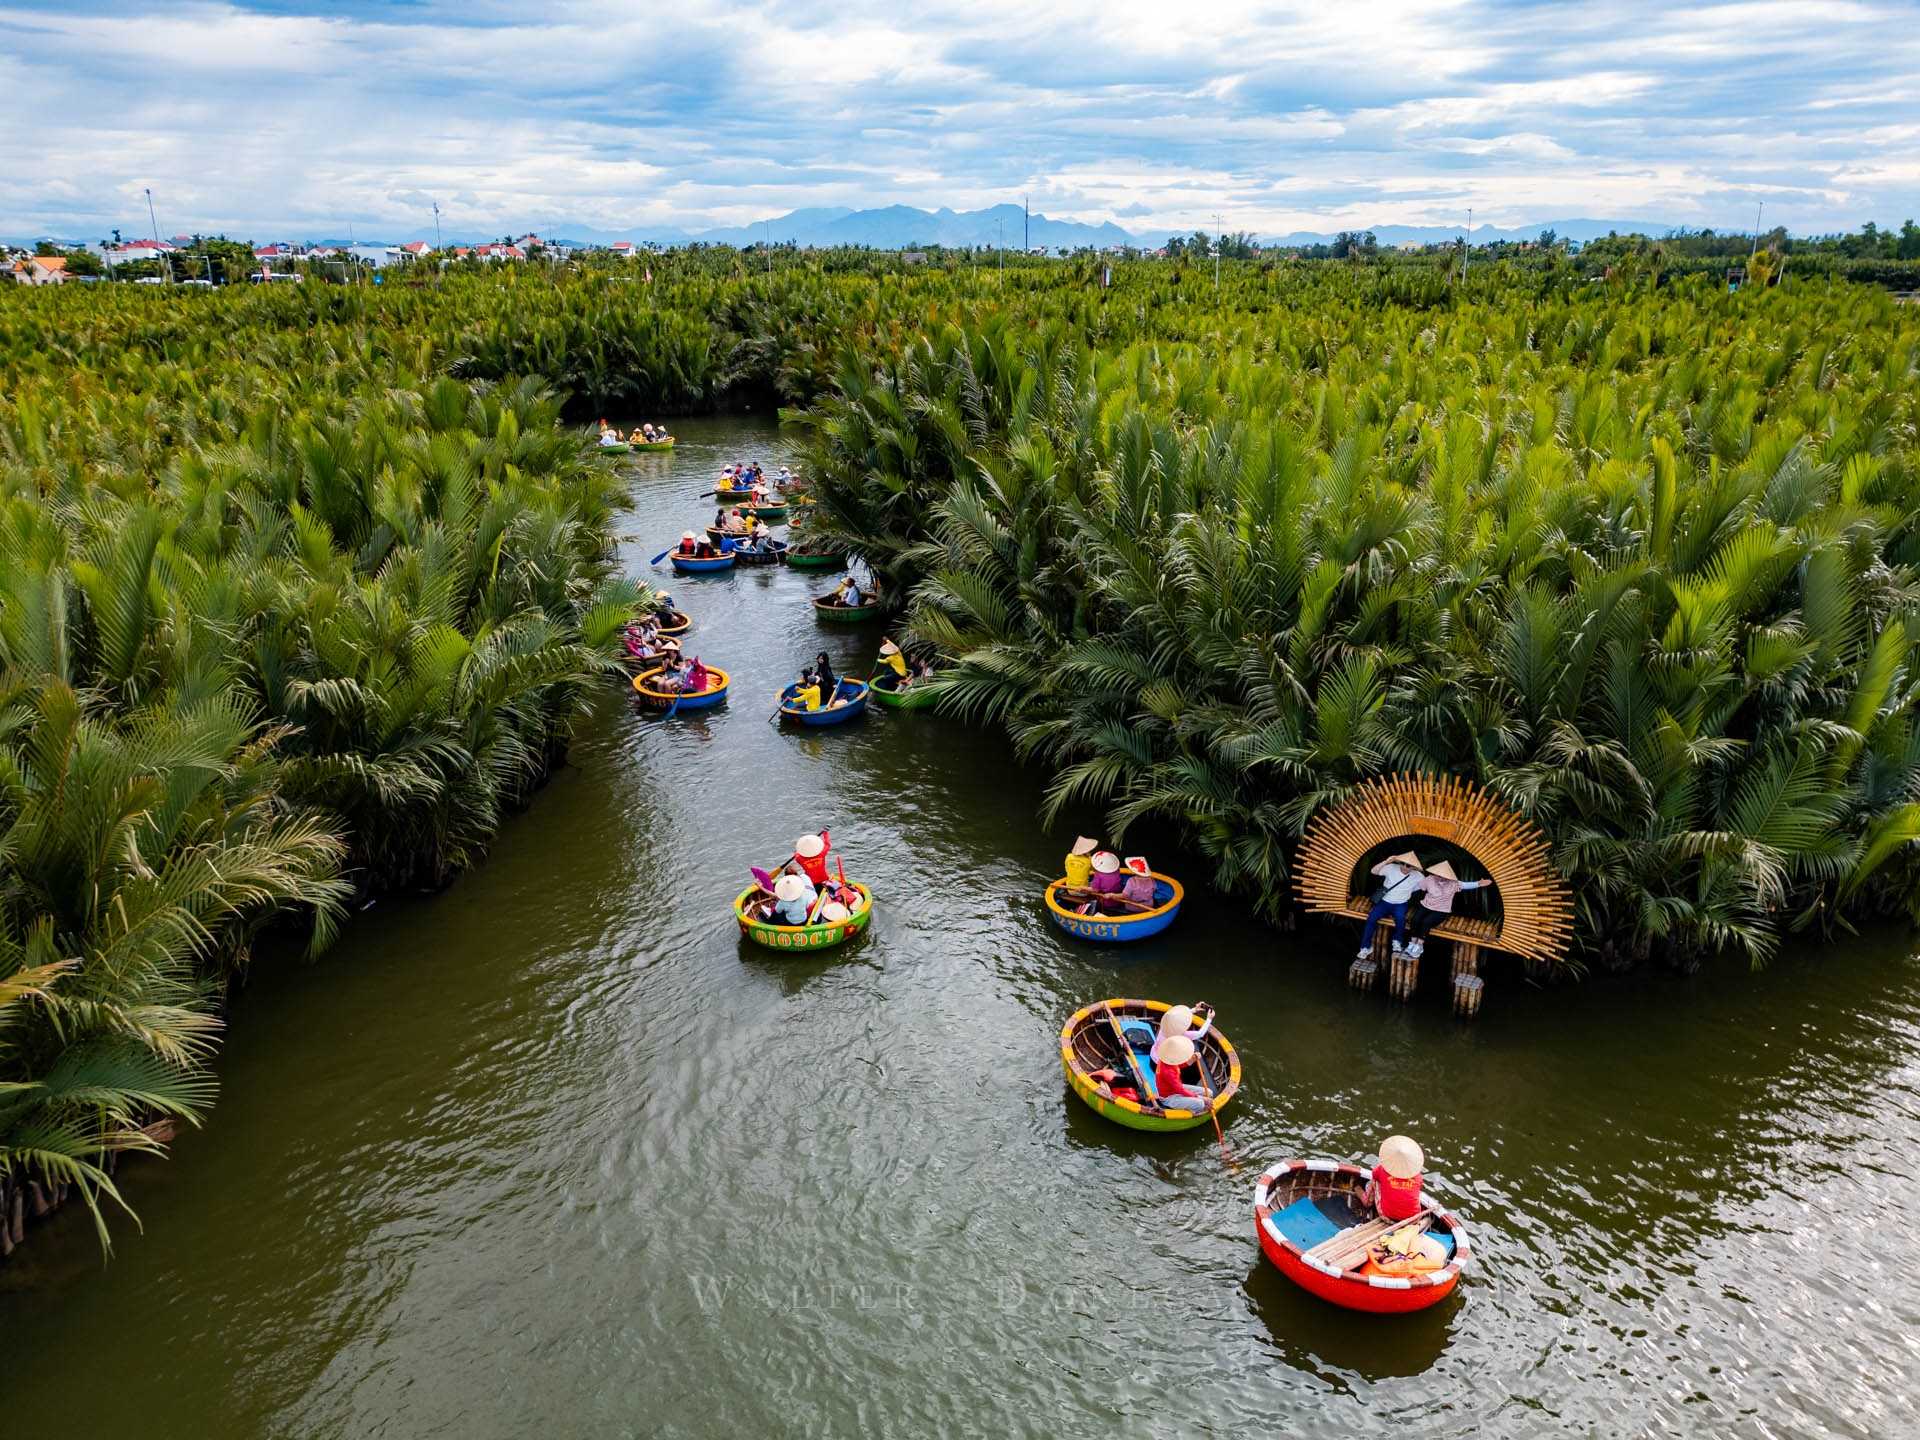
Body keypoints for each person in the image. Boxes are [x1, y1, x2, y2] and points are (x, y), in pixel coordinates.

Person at [1404, 860, 1492, 958]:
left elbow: (1466, 885)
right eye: (1438, 874)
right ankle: (1412, 943)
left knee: (1426, 922)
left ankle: (1419, 945)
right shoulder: (1429, 879)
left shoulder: (1453, 883)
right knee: (1415, 920)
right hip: (1426, 905)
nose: (1440, 876)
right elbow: (1416, 887)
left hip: (1441, 910)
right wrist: (1402, 892)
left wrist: (1479, 883)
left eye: (1443, 875)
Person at [1358, 851, 1427, 959]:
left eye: (1408, 865)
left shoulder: (1418, 876)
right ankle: (1365, 947)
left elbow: (1423, 887)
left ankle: (1397, 941)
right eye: (1402, 863)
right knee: (1371, 919)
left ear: (1413, 867)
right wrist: (1386, 861)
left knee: (1400, 920)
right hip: (1384, 902)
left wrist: (1407, 892)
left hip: (1400, 904)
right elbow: (1373, 871)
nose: (1404, 866)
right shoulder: (1391, 867)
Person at [1363, 1135, 1425, 1220]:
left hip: (1387, 1216)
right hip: (1413, 1219)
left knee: (1375, 1181)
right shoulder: (1418, 1176)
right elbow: (1419, 1186)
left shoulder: (1382, 1170)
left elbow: (1374, 1175)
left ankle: (1367, 1202)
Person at [1152, 1034, 1210, 1114]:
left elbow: (1178, 1065)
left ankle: (1195, 1104)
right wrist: (1201, 1098)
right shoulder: (1167, 1071)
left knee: (1209, 1092)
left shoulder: (1167, 1060)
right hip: (1169, 1098)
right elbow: (1180, 1090)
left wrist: (1192, 1060)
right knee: (1200, 1103)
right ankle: (1195, 1112)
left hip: (1175, 1089)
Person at [1150, 1003, 1213, 1069]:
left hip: (1152, 1058)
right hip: (1161, 1066)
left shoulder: (1164, 1027)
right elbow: (1200, 1034)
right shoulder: (1183, 1034)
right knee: (1192, 1063)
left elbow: (1179, 1017)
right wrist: (1209, 1019)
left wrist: (1195, 1009)